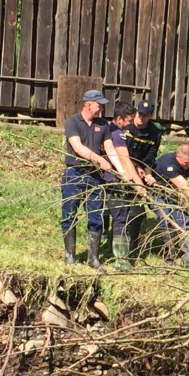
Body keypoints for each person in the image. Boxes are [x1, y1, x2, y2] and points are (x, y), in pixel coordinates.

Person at [60, 89, 114, 268]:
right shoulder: (72, 122)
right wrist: (99, 159)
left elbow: (110, 149)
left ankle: (93, 259)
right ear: (88, 104)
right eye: (99, 105)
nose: (101, 109)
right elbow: (78, 148)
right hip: (74, 173)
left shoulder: (104, 125)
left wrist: (119, 169)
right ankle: (70, 256)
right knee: (69, 214)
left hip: (95, 177)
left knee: (96, 216)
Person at [103, 101, 147, 271]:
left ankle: (110, 253)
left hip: (106, 179)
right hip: (115, 181)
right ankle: (121, 261)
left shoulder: (107, 128)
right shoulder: (117, 134)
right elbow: (124, 159)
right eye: (129, 120)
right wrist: (138, 185)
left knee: (109, 216)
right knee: (121, 218)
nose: (131, 124)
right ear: (119, 119)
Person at [153, 144, 189, 269]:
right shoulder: (168, 164)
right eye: (185, 163)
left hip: (174, 194)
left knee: (184, 221)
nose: (188, 166)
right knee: (165, 219)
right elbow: (184, 187)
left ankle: (187, 259)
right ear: (177, 157)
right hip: (158, 192)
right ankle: (169, 255)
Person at [122, 99, 162, 250]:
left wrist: (148, 173)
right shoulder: (127, 126)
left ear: (150, 115)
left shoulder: (154, 133)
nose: (140, 118)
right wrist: (135, 166)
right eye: (139, 114)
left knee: (137, 208)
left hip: (140, 172)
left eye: (145, 115)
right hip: (121, 168)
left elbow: (150, 157)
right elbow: (121, 153)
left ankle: (133, 244)